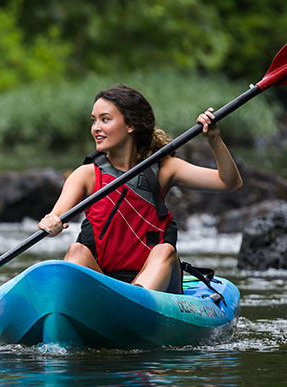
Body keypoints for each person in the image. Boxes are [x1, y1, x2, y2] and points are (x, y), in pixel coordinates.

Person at [37, 85, 242, 293]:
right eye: (94, 120)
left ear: (130, 126)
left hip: (156, 288)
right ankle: (111, 306)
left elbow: (228, 182)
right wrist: (50, 222)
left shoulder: (164, 169)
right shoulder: (86, 174)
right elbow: (56, 217)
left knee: (164, 250)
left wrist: (214, 139)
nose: (96, 128)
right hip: (104, 282)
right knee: (76, 251)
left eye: (105, 119)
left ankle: (135, 301)